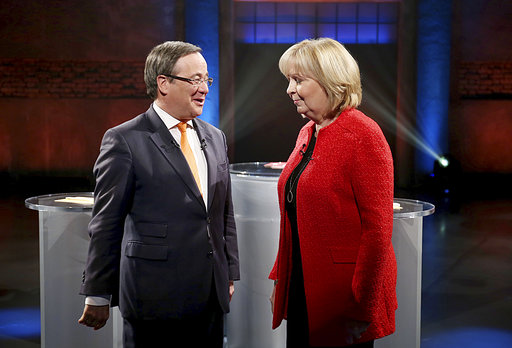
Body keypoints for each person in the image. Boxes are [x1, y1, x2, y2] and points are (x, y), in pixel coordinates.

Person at [78, 41, 240, 348]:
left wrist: (228, 271)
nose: (203, 88)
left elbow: (223, 213)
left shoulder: (215, 137)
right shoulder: (124, 140)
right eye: (194, 79)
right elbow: (105, 223)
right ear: (162, 83)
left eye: (206, 79)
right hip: (154, 296)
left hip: (209, 293)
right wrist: (98, 292)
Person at [269, 38, 396, 348]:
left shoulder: (364, 135)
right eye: (289, 80)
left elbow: (377, 235)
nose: (289, 89)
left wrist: (361, 307)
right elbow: (295, 213)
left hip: (343, 298)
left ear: (331, 82)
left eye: (298, 80)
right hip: (303, 287)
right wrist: (281, 277)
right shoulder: (308, 131)